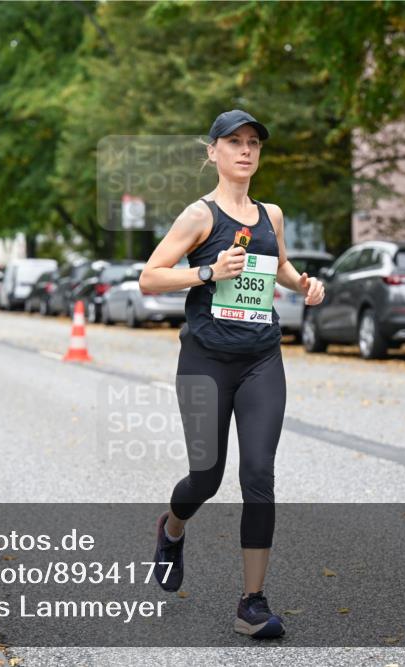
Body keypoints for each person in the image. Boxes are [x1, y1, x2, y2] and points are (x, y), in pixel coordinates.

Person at [137, 110, 325, 639]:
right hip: (206, 361)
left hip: (262, 358)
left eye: (253, 144)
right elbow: (149, 277)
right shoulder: (199, 216)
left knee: (259, 476)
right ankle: (171, 529)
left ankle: (252, 603)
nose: (246, 151)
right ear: (214, 151)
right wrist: (207, 271)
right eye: (235, 142)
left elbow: (280, 267)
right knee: (207, 476)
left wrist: (304, 285)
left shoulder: (272, 214)